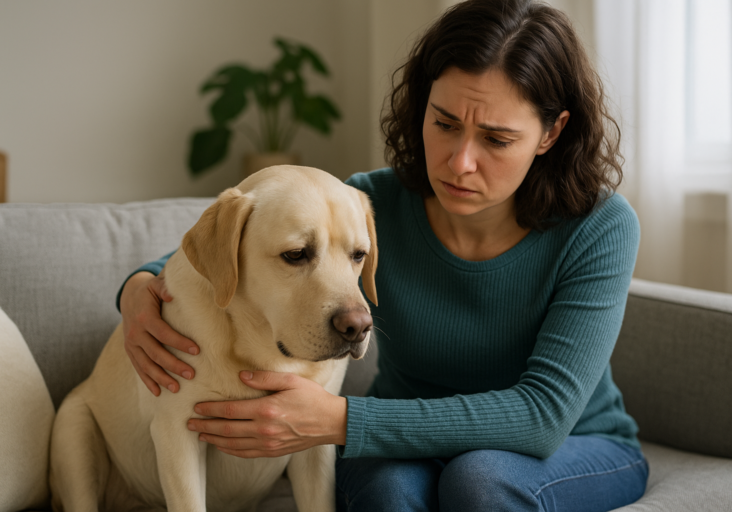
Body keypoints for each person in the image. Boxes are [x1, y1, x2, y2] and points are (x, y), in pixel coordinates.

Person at [117, 0, 649, 510]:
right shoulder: (370, 203)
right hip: (405, 442)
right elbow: (235, 242)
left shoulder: (599, 227)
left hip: (571, 444)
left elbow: (543, 416)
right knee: (387, 496)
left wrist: (341, 420)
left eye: (496, 139)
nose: (460, 162)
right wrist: (139, 285)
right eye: (445, 124)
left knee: (481, 481)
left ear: (551, 132)